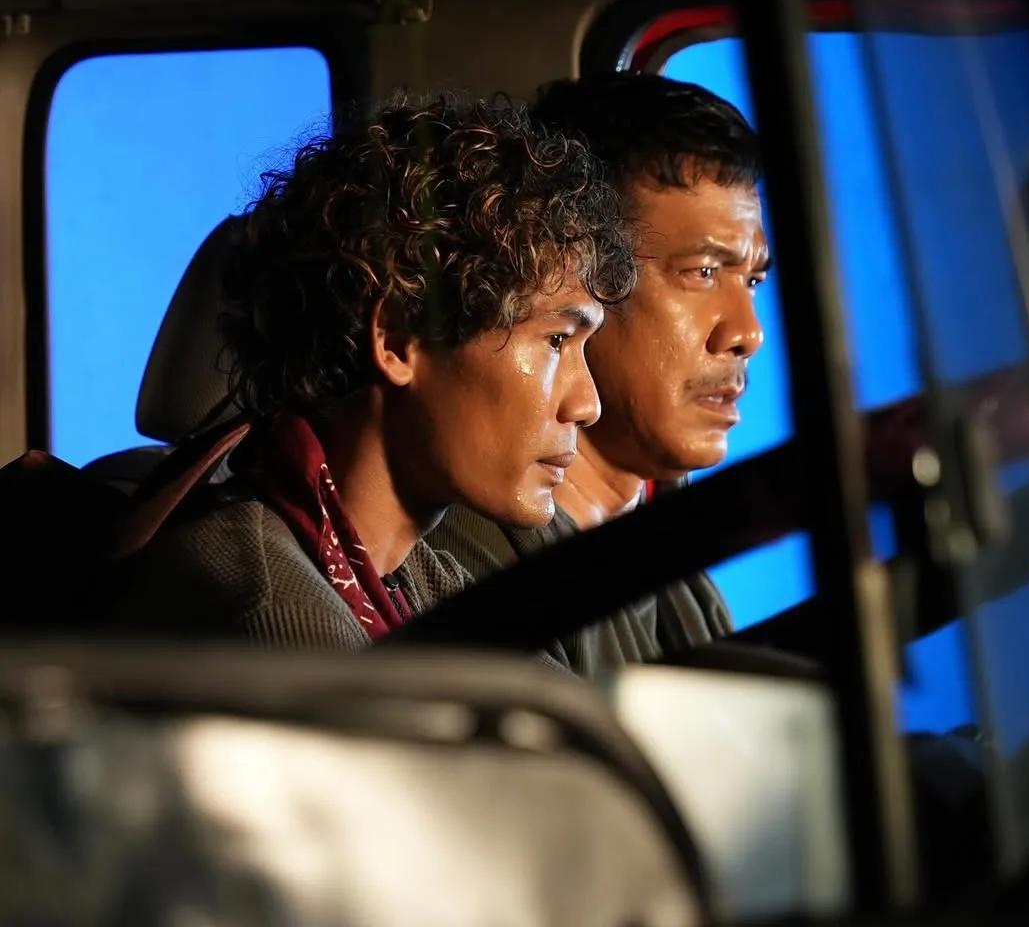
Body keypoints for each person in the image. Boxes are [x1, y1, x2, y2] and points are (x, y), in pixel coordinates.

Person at [103, 93, 636, 651]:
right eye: (556, 340)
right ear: (398, 341)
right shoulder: (276, 614)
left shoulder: (407, 574)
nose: (587, 404)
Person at [427, 72, 769, 671]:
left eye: (753, 279)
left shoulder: (675, 574)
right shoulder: (477, 565)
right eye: (703, 273)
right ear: (581, 274)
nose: (747, 332)